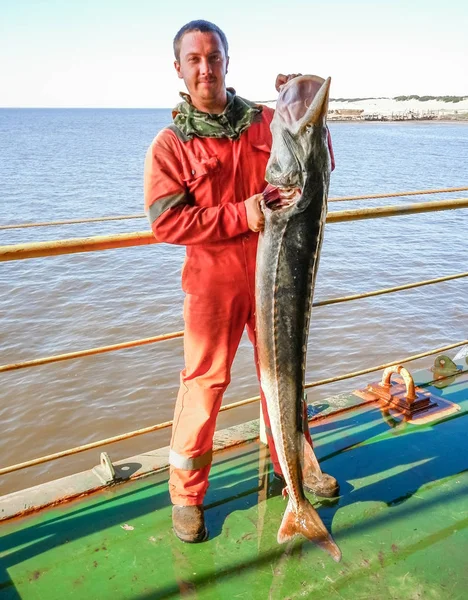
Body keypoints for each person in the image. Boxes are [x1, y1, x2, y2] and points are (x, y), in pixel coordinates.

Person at [144, 20, 338, 544]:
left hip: (274, 276)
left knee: (286, 373)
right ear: (179, 69)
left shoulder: (265, 120)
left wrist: (307, 102)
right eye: (194, 60)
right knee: (204, 387)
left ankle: (295, 470)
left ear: (227, 62)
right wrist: (240, 214)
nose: (206, 68)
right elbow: (166, 223)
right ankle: (187, 495)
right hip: (213, 286)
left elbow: (320, 162)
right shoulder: (170, 145)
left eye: (214, 57)